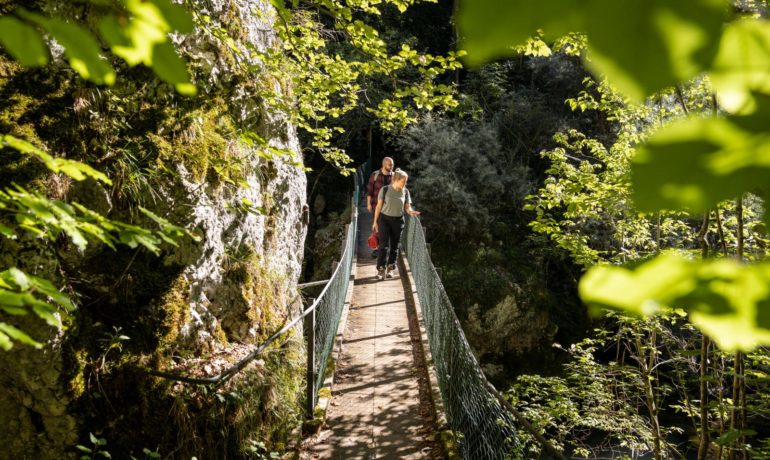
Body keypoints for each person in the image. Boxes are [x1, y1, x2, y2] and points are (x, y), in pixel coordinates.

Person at [372, 168, 420, 280]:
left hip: (398, 221)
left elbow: (407, 207)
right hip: (384, 220)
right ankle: (380, 270)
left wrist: (411, 211)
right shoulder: (384, 190)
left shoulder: (406, 192)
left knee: (394, 246)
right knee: (383, 246)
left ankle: (390, 269)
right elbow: (378, 207)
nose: (405, 183)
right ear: (396, 180)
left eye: (406, 181)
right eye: (403, 181)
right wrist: (375, 222)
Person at [366, 157, 394, 258]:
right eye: (390, 165)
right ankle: (376, 249)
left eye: (392, 165)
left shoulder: (394, 176)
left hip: (389, 207)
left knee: (387, 228)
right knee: (376, 226)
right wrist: (368, 204)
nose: (391, 167)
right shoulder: (375, 175)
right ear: (384, 164)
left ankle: (384, 249)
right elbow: (369, 190)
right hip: (375, 205)